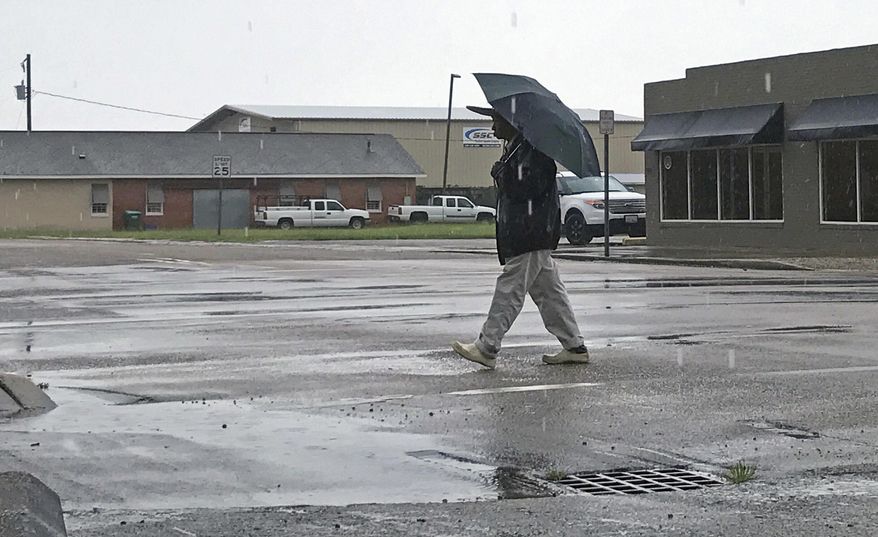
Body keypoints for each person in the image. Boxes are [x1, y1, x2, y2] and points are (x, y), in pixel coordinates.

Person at [452, 106, 589, 369]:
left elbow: (526, 189)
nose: (493, 128)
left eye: (496, 121)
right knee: (550, 293)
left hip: (530, 233)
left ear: (513, 123)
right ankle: (574, 346)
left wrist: (501, 173)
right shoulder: (520, 149)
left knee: (510, 288)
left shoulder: (534, 153)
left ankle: (487, 346)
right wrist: (504, 169)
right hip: (531, 232)